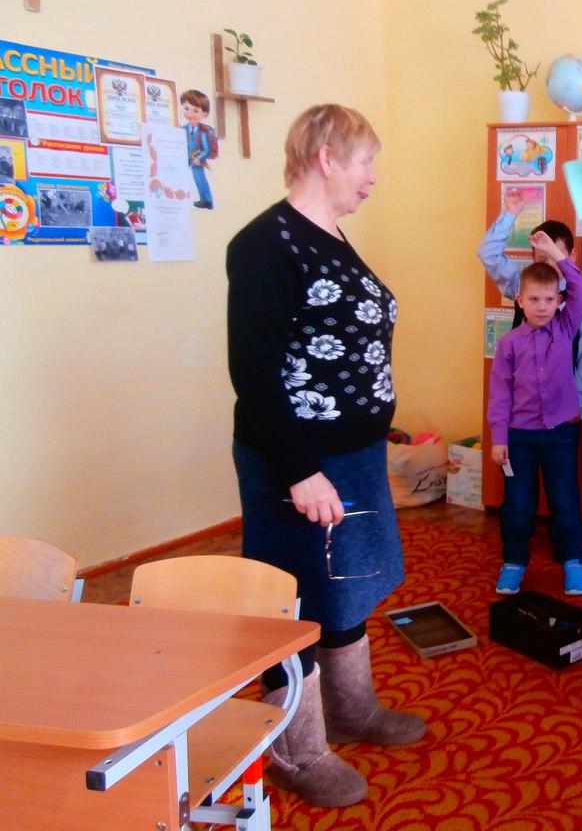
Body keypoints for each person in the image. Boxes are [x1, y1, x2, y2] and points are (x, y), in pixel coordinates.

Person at [226, 104, 424, 810]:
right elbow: (254, 371)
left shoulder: (330, 234)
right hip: (298, 459)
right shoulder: (266, 243)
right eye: (365, 161)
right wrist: (300, 471)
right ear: (326, 156)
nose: (372, 177)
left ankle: (351, 710)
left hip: (352, 454)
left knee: (345, 583)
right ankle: (297, 750)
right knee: (294, 598)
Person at [487, 230, 582, 596]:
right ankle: (514, 561)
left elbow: (580, 287)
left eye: (549, 299)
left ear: (559, 301)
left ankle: (573, 560)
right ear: (520, 300)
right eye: (534, 299)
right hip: (519, 438)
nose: (542, 306)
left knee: (565, 500)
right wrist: (499, 438)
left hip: (559, 434)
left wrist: (553, 253)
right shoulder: (508, 344)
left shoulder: (565, 327)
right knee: (518, 504)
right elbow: (500, 395)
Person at [476, 186, 582, 409]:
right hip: (521, 400)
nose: (550, 265)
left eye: (556, 256)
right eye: (543, 258)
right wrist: (510, 214)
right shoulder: (522, 284)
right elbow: (488, 254)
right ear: (533, 256)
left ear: (571, 256)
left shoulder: (580, 300)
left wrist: (578, 397)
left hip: (561, 403)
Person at [181, 89, 217, 210]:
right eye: (186, 109)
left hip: (196, 160)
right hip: (184, 159)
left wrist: (199, 158)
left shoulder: (204, 131)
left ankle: (206, 200)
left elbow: (207, 149)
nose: (190, 113)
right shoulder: (183, 129)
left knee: (199, 179)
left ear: (204, 114)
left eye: (195, 111)